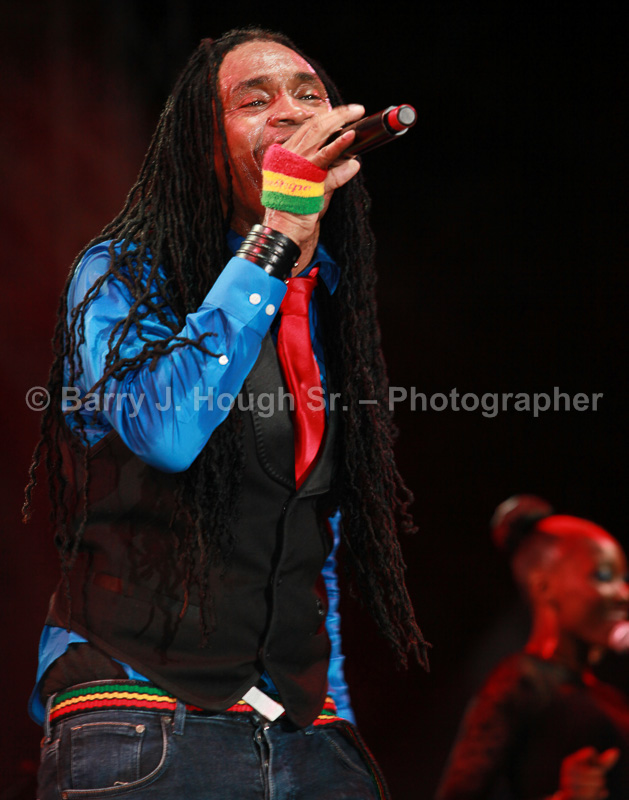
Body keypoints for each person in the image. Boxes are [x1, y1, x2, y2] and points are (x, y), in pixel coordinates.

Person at [23, 27, 429, 799]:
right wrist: (274, 241)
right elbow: (167, 432)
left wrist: (331, 710)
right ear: (202, 146)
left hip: (299, 733)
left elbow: (307, 542)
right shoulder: (119, 276)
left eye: (307, 95)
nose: (290, 111)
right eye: (255, 99)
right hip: (142, 715)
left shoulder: (324, 303)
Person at [435, 495, 629, 800]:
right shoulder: (522, 681)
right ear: (544, 586)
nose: (624, 595)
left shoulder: (611, 699)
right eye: (603, 576)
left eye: (624, 579)